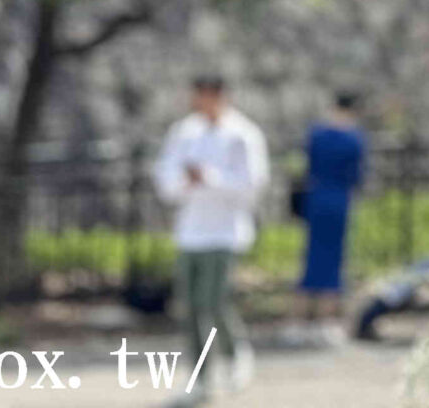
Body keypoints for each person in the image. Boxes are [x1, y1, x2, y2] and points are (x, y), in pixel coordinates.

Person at [152, 74, 269, 399]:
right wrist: (186, 182)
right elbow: (165, 179)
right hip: (190, 232)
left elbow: (253, 184)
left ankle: (234, 354)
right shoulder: (184, 132)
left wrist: (211, 179)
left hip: (225, 231)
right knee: (190, 307)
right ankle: (200, 378)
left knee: (213, 301)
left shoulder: (242, 134)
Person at [296, 92, 367, 330]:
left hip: (316, 198)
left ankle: (303, 316)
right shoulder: (354, 138)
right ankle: (326, 318)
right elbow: (357, 175)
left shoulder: (317, 134)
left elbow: (308, 165)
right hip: (339, 199)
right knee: (334, 258)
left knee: (312, 255)